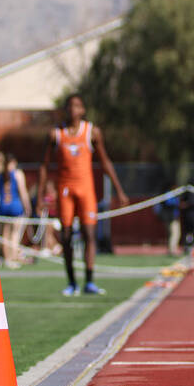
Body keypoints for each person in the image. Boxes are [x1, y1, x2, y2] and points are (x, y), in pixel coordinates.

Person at [38, 94, 128, 296]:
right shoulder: (56, 134)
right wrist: (42, 196)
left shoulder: (92, 132)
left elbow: (105, 161)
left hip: (85, 189)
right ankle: (71, 282)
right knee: (67, 236)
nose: (73, 110)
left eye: (77, 106)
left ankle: (89, 281)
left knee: (89, 235)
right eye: (69, 106)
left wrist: (119, 190)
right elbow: (44, 166)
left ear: (83, 110)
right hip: (65, 190)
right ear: (65, 110)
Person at [0, 154, 31, 268]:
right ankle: (13, 257)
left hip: (3, 206)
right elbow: (23, 191)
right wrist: (27, 206)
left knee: (5, 233)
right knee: (14, 234)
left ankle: (7, 258)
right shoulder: (17, 174)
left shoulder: (0, 175)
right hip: (15, 206)